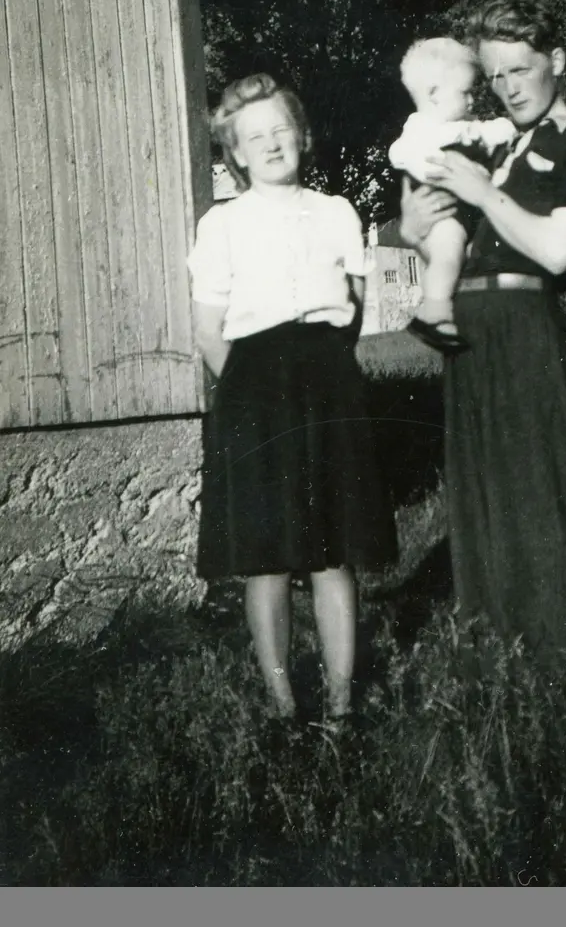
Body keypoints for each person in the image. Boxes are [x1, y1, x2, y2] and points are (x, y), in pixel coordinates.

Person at [399, 0, 566, 675]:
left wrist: (482, 192)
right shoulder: (497, 141)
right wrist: (411, 227)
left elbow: (556, 253)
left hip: (525, 327)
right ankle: (493, 665)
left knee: (534, 498)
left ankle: (556, 676)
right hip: (469, 328)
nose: (507, 87)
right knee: (478, 500)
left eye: (519, 69)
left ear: (555, 61)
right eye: (494, 76)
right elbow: (442, 239)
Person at [187, 73, 397, 727]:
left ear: (301, 135)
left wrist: (321, 370)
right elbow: (207, 331)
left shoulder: (336, 212)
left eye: (281, 129)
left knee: (332, 550)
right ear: (237, 154)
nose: (272, 143)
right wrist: (254, 395)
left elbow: (354, 312)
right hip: (253, 388)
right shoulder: (222, 223)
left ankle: (339, 702)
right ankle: (281, 702)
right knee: (266, 556)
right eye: (256, 137)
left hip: (327, 380)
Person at [388, 38, 517, 354]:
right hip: (440, 204)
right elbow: (399, 153)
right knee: (449, 252)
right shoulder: (420, 129)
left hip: (463, 203)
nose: (472, 100)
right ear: (433, 94)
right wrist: (429, 166)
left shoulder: (467, 125)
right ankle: (434, 311)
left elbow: (491, 131)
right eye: (465, 92)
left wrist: (506, 129)